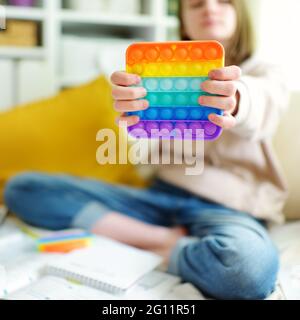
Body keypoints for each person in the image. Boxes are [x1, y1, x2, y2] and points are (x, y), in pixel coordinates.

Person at [4, 0, 289, 299]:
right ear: (183, 21)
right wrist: (131, 108)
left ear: (240, 12)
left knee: (248, 271)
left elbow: (263, 105)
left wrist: (236, 98)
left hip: (229, 209)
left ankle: (159, 245)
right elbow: (145, 133)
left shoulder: (267, 72)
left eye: (223, 2)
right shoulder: (166, 72)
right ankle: (161, 240)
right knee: (22, 188)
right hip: (158, 197)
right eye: (196, 4)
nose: (209, 9)